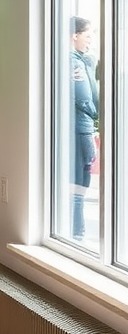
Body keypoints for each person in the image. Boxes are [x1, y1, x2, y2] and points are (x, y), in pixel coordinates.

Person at [69, 16, 99, 241]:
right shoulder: (74, 62)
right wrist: (98, 114)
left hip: (79, 127)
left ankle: (75, 231)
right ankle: (77, 233)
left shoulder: (81, 60)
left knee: (77, 181)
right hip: (82, 128)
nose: (90, 40)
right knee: (81, 182)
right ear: (74, 36)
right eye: (88, 35)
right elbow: (85, 98)